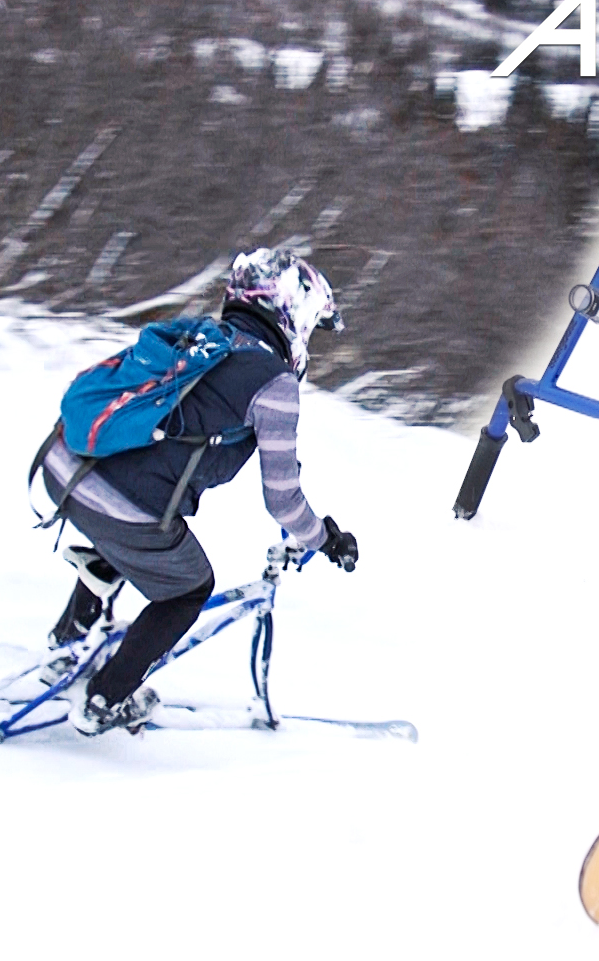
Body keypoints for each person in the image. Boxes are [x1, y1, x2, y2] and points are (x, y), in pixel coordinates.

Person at [36, 248, 361, 736]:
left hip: (62, 464)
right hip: (116, 499)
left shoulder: (200, 340)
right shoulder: (273, 383)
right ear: (292, 315)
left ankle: (67, 645)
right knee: (188, 588)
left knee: (130, 538)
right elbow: (283, 500)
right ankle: (103, 701)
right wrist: (326, 539)